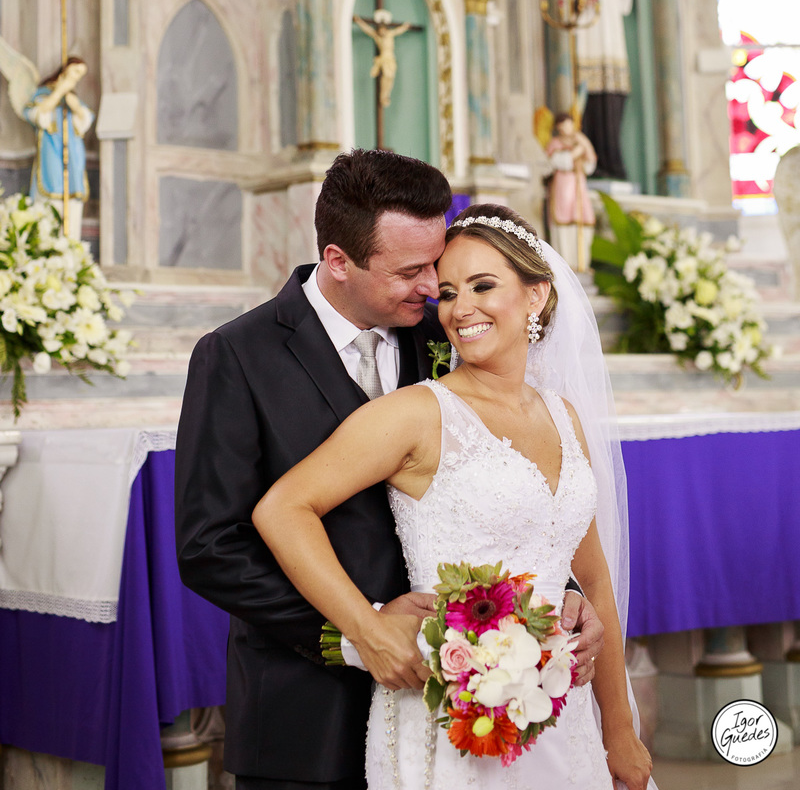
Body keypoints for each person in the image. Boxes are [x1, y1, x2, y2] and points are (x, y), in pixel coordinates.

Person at [175, 151, 603, 790]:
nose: (435, 286)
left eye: (438, 263)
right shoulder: (238, 355)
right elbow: (210, 546)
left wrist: (561, 590)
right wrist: (358, 631)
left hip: (461, 707)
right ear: (338, 261)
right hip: (307, 707)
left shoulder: (446, 330)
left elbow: (497, 483)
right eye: (412, 270)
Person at [253, 203, 654, 789]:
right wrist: (365, 626)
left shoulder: (564, 418)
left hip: (562, 717)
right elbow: (283, 508)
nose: (460, 308)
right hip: (447, 714)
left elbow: (593, 583)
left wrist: (619, 727)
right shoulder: (418, 413)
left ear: (536, 296)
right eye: (447, 292)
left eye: (483, 286)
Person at [570, 0, 634, 181]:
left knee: (614, 97)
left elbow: (622, 5)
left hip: (612, 39)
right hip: (589, 38)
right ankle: (598, 164)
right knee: (593, 100)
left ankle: (614, 162)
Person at [23, 56, 94, 238]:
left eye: (81, 74)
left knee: (73, 210)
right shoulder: (43, 94)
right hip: (52, 156)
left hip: (73, 159)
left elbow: (85, 120)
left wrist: (74, 105)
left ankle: (70, 251)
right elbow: (35, 114)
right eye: (76, 72)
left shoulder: (72, 98)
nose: (77, 78)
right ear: (66, 69)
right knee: (49, 211)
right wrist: (58, 93)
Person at [546, 112, 597, 272]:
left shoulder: (579, 141)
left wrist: (584, 144)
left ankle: (582, 262)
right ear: (558, 127)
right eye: (564, 124)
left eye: (570, 123)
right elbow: (560, 162)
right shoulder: (555, 143)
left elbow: (590, 165)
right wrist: (577, 150)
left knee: (583, 221)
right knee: (564, 223)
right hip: (563, 187)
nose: (567, 127)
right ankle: (566, 264)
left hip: (579, 187)